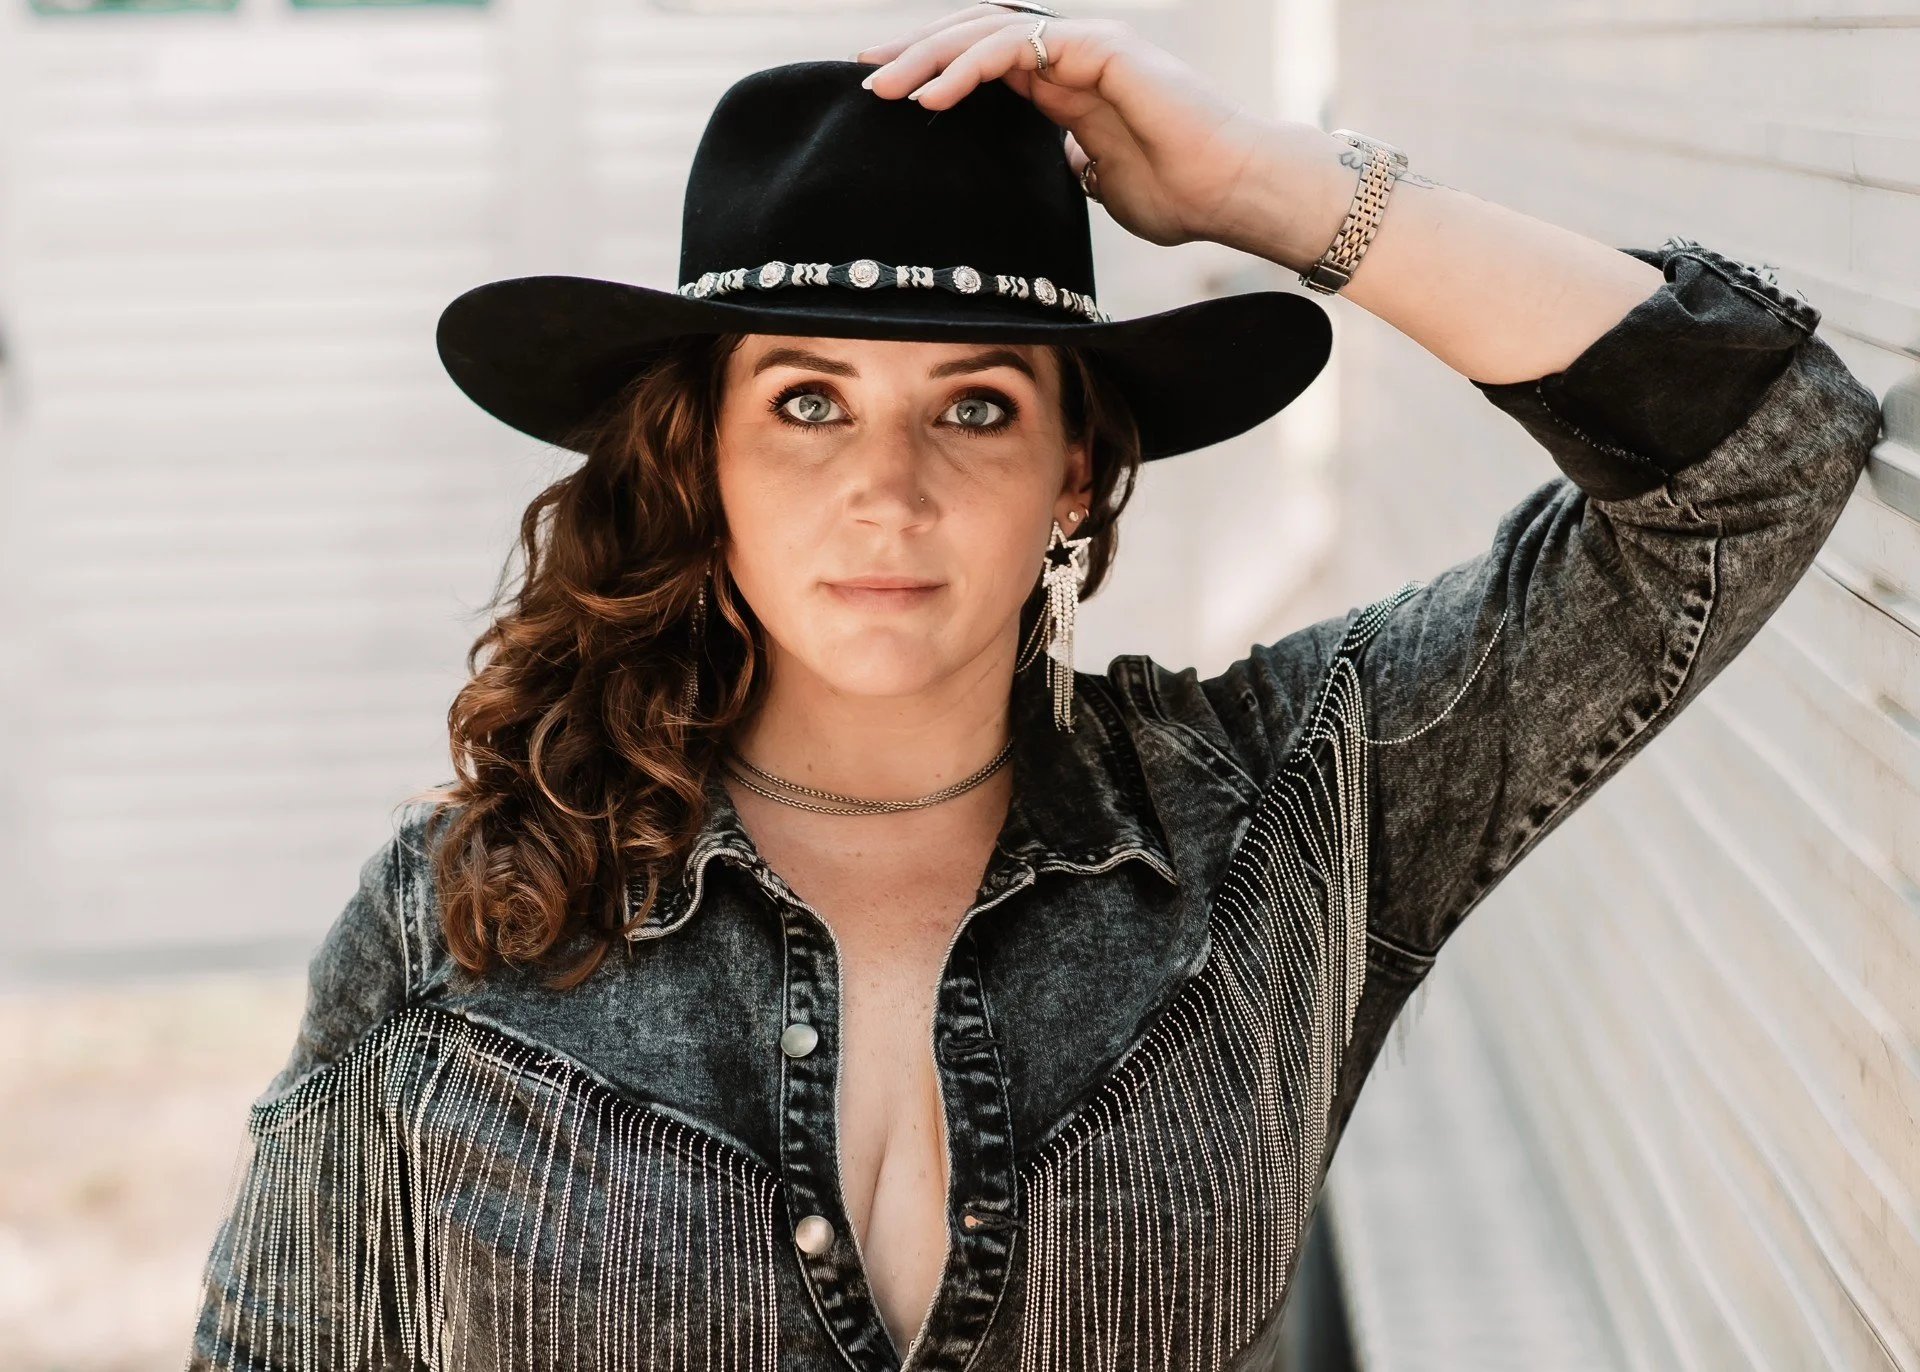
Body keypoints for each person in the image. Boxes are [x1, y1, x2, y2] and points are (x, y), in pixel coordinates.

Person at [186, 6, 1881, 1371]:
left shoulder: (1282, 817)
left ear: (1075, 471)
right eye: (807, 403)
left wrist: (1268, 189)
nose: (889, 490)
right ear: (702, 462)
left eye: (978, 406)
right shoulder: (459, 919)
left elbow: (1758, 448)